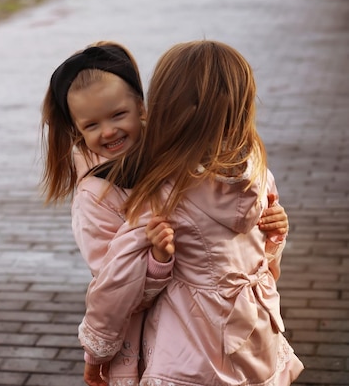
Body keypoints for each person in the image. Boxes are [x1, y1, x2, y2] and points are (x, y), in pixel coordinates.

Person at [40, 41, 291, 386]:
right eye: (92, 125)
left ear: (144, 107)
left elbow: (242, 253)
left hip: (186, 345)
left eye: (118, 115)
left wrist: (274, 227)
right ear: (76, 131)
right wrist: (158, 262)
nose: (109, 131)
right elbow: (115, 283)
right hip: (155, 341)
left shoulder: (175, 166)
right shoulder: (96, 196)